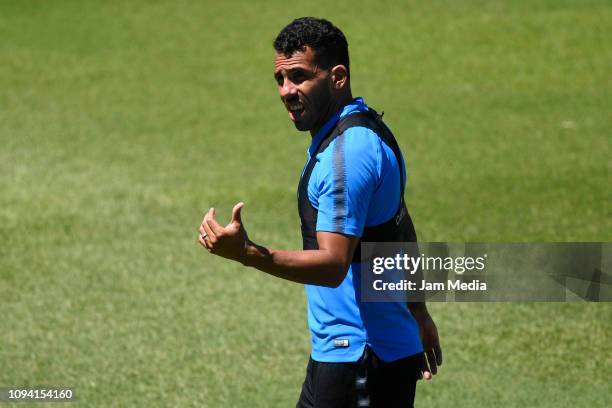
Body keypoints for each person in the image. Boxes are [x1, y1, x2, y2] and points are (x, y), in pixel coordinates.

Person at [198, 17, 441, 408]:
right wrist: (418, 311)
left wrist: (247, 253)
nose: (286, 91)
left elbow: (333, 265)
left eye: (298, 76)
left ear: (338, 77)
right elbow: (401, 226)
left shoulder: (346, 156)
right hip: (354, 355)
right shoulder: (365, 132)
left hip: (360, 359)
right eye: (280, 79)